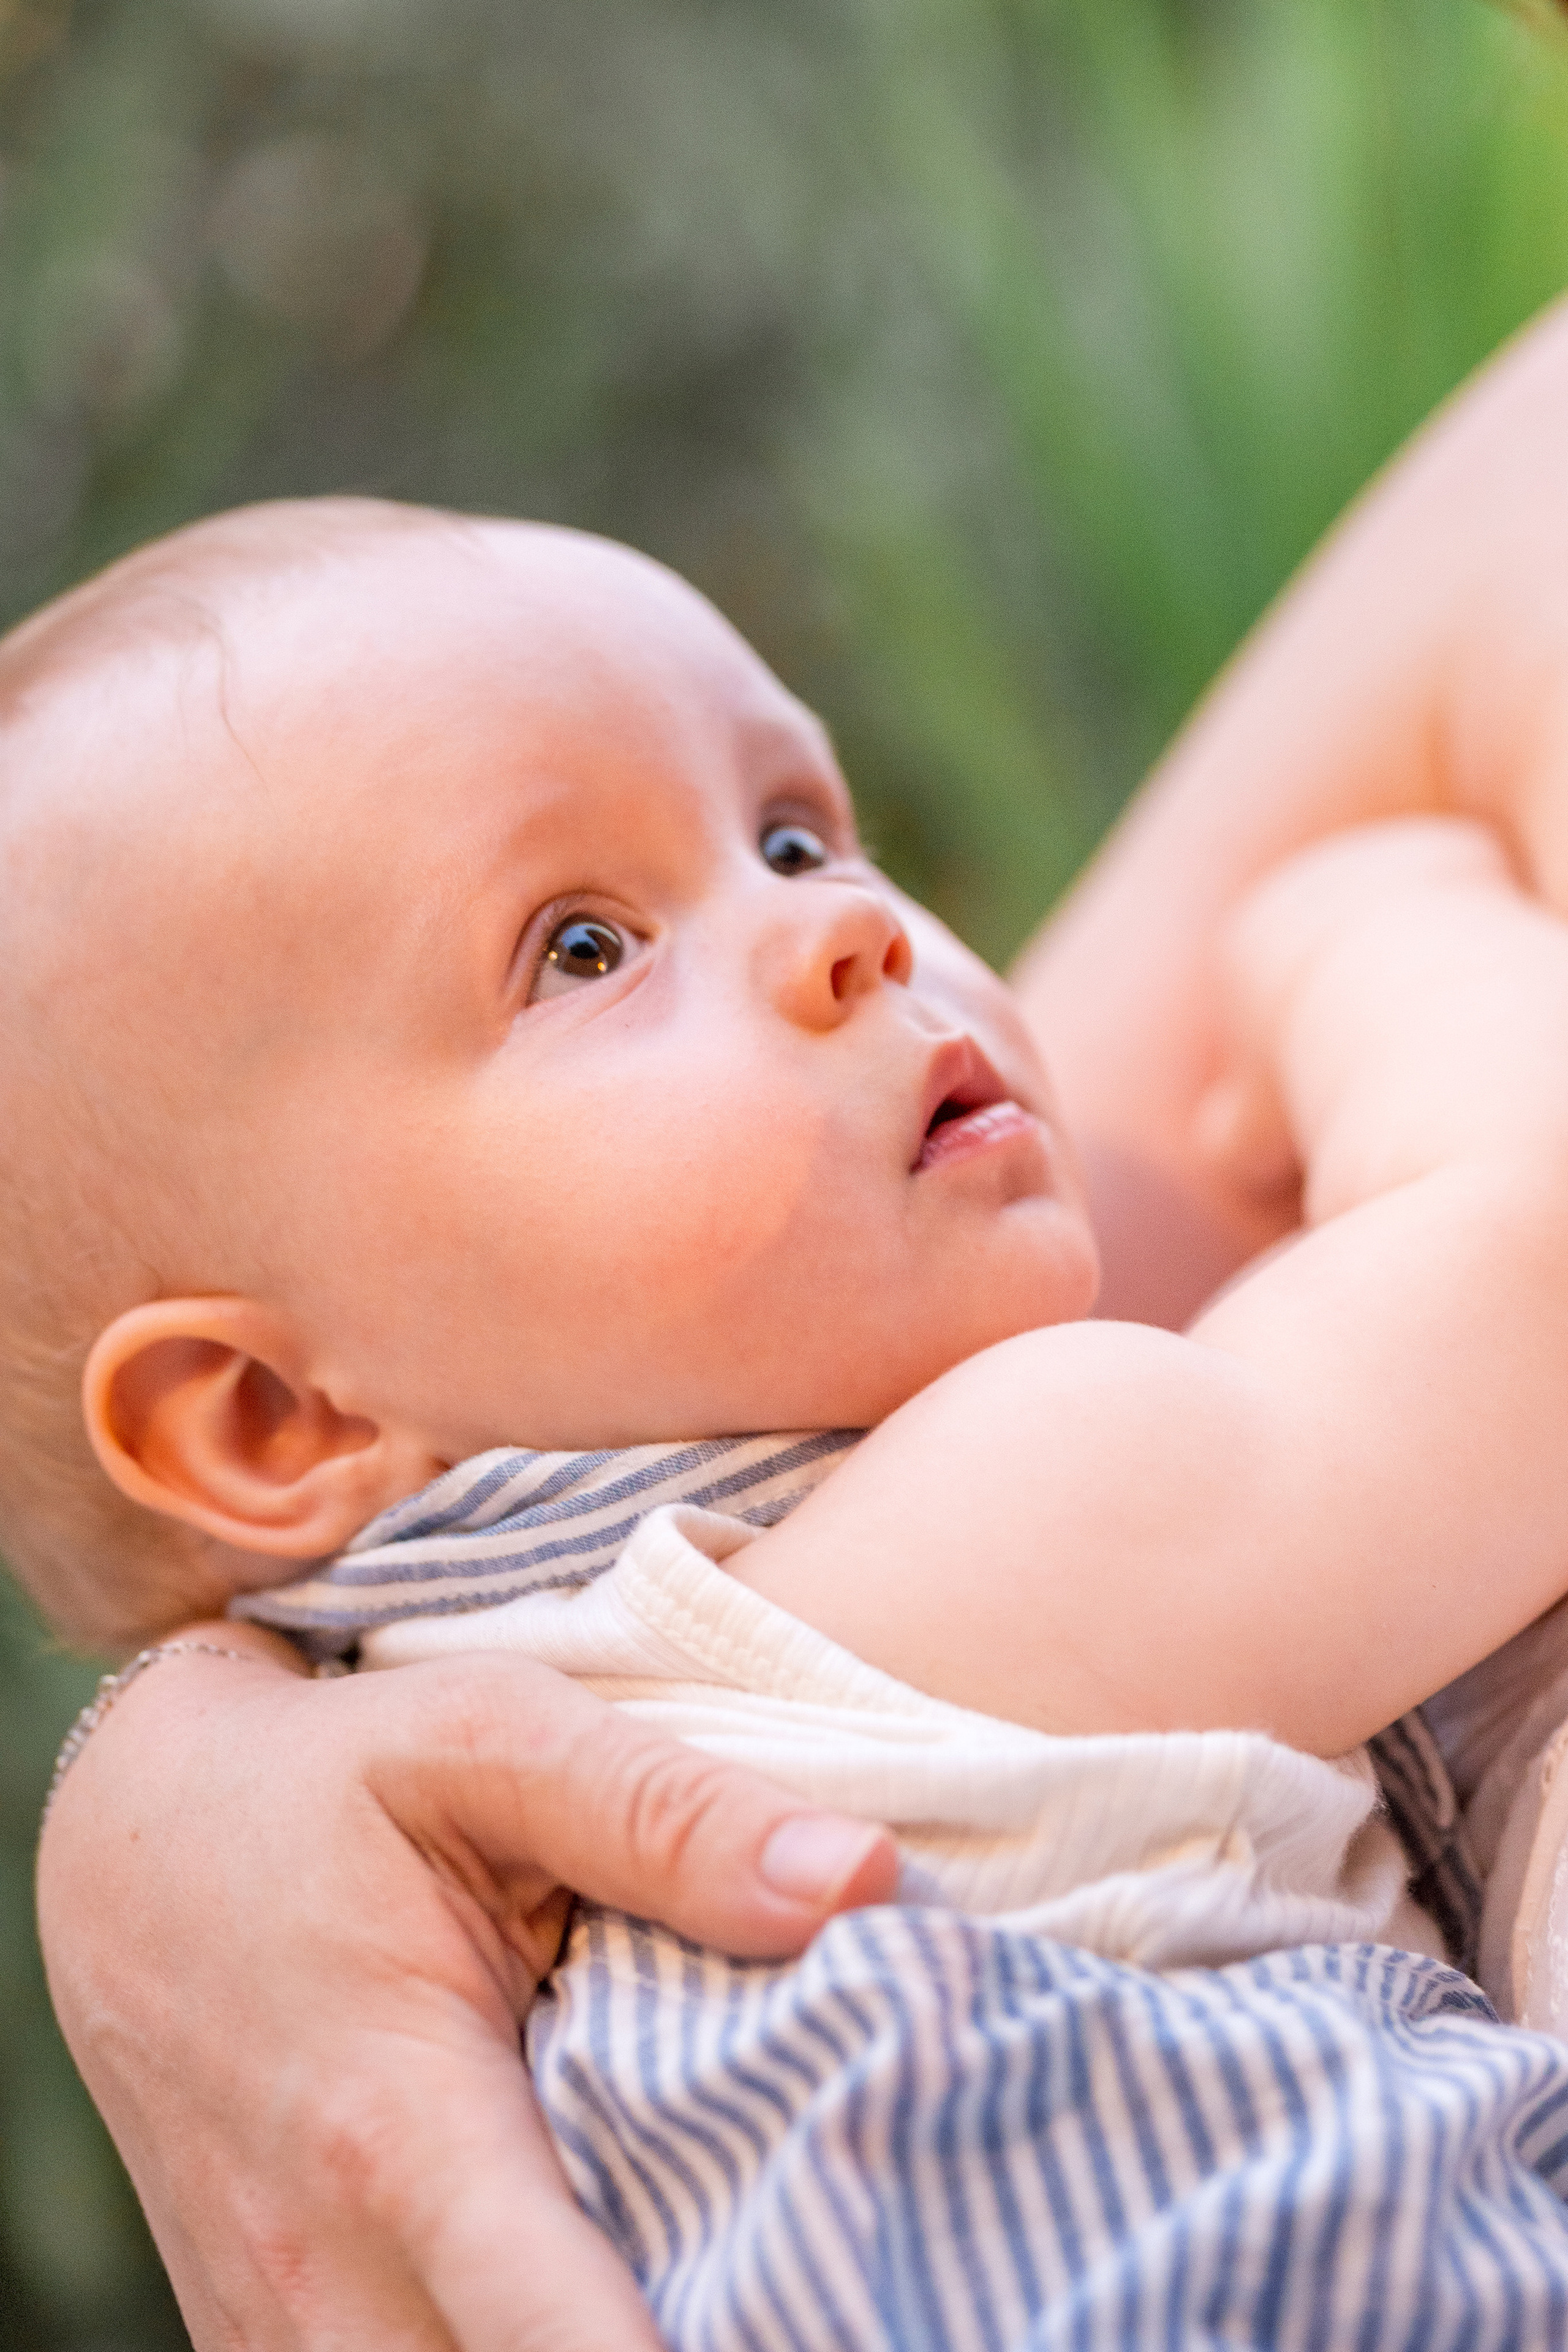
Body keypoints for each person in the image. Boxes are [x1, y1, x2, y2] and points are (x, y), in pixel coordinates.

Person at [25, 290, 1568, 2351]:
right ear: (272, 1418)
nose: (851, 928)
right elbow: (1534, 1259)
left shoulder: (527, 1828)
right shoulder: (890, 1600)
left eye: (793, 833)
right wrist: (1362, 922)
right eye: (583, 945)